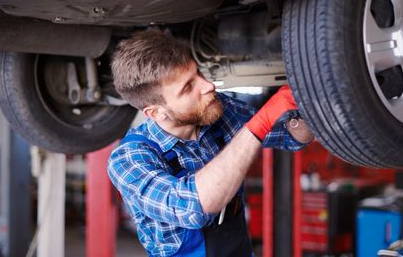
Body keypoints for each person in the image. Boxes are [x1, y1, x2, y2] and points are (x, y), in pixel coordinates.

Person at [107, 28, 314, 257]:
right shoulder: (129, 159)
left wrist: (306, 107)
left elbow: (292, 137)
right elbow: (194, 206)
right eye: (188, 87)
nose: (209, 87)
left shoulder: (214, 109)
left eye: (199, 74)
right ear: (155, 112)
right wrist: (259, 124)